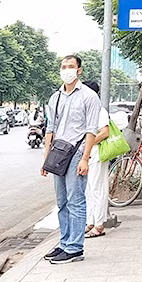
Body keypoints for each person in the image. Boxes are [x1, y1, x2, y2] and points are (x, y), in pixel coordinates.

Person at [42, 54, 103, 265]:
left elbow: (91, 130)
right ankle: (64, 242)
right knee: (61, 202)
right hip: (58, 153)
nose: (66, 70)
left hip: (77, 152)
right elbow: (50, 129)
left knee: (76, 200)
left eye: (70, 66)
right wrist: (46, 158)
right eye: (63, 66)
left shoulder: (89, 96)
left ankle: (75, 248)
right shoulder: (55, 97)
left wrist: (85, 158)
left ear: (79, 70)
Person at [81, 81, 111, 239]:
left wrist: (89, 144)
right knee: (89, 189)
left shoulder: (100, 110)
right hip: (88, 155)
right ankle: (91, 221)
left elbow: (104, 132)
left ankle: (99, 225)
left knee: (97, 188)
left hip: (97, 154)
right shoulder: (88, 110)